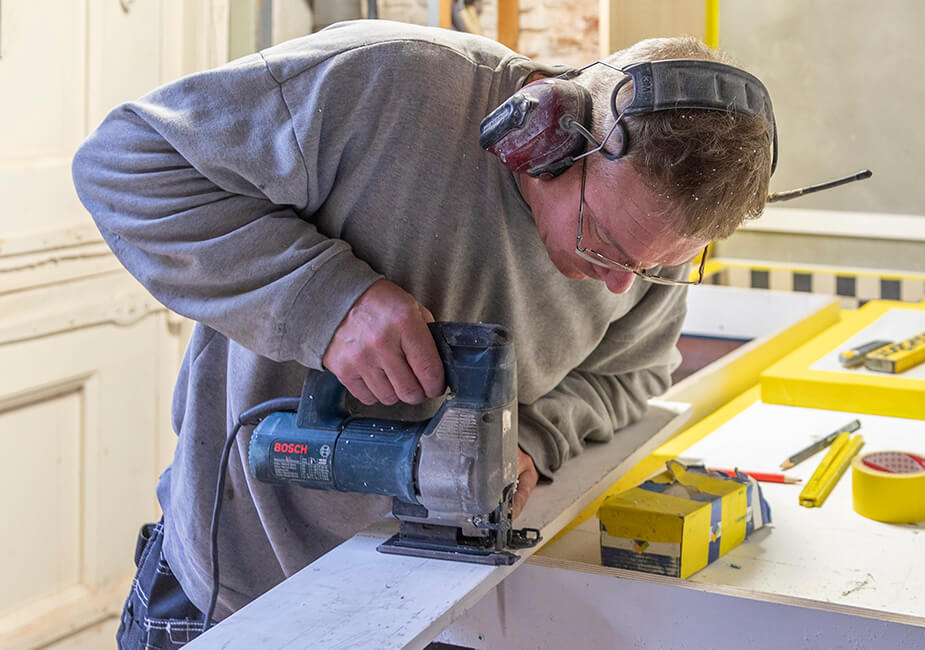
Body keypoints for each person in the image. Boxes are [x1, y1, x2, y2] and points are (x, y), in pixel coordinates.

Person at [72, 19, 771, 649]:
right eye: (606, 244)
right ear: (548, 134)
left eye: (656, 267)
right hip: (236, 594)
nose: (622, 284)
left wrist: (533, 438)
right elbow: (125, 164)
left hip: (434, 609)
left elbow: (632, 374)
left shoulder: (641, 255)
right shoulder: (385, 81)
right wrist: (326, 302)